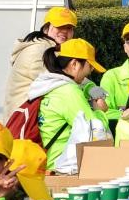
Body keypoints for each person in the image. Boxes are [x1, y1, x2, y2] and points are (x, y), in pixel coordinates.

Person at [27, 39, 110, 171]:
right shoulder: (69, 91)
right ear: (75, 64)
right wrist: (100, 111)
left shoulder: (49, 85)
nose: (90, 71)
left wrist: (90, 89)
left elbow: (85, 84)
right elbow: (95, 131)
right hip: (61, 167)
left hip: (46, 163)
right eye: (90, 66)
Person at [3, 7, 77, 118]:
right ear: (46, 28)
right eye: (59, 26)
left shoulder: (51, 48)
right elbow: (63, 82)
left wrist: (91, 88)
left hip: (29, 119)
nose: (64, 31)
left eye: (69, 28)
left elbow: (74, 75)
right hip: (22, 122)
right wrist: (93, 92)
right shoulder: (39, 50)